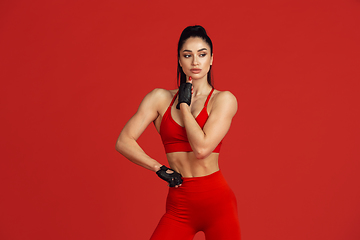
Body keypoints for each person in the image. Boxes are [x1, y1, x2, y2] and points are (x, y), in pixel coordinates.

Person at [116, 25, 241, 240]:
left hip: (217, 203)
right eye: (187, 55)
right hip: (179, 204)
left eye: (202, 54)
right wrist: (158, 167)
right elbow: (123, 141)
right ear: (179, 60)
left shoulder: (224, 100)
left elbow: (201, 149)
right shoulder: (158, 98)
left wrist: (184, 106)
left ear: (211, 59)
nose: (195, 62)